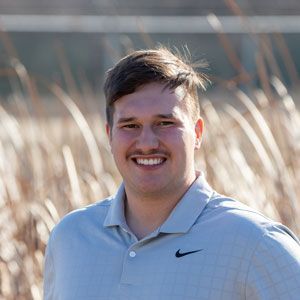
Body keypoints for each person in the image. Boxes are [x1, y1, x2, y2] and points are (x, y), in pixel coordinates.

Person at [44, 47, 300, 300]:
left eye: (165, 123)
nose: (146, 143)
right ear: (109, 134)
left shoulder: (256, 243)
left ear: (197, 133)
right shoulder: (69, 238)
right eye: (130, 125)